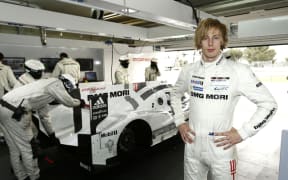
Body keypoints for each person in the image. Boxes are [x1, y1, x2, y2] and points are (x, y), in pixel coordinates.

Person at [170, 18, 277, 180]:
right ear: (199, 42)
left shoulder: (238, 71)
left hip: (222, 150)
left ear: (223, 41)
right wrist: (179, 121)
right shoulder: (189, 71)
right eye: (205, 38)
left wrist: (243, 133)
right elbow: (175, 94)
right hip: (192, 147)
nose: (211, 43)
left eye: (216, 37)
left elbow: (269, 105)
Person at [0, 74, 85, 180]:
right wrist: (80, 103)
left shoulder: (44, 85)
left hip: (3, 107)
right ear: (67, 84)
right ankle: (34, 176)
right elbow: (69, 102)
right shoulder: (56, 84)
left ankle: (21, 176)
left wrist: (51, 133)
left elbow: (44, 115)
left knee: (14, 148)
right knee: (29, 148)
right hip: (16, 113)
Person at [17, 59, 60, 145]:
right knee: (31, 137)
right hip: (16, 114)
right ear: (28, 71)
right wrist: (52, 135)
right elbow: (44, 115)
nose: (40, 74)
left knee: (17, 147)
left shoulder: (22, 79)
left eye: (41, 72)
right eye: (38, 72)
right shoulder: (33, 87)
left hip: (11, 110)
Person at [0, 52, 18, 142]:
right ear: (2, 59)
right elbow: (14, 83)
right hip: (3, 99)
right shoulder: (6, 69)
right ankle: (4, 136)